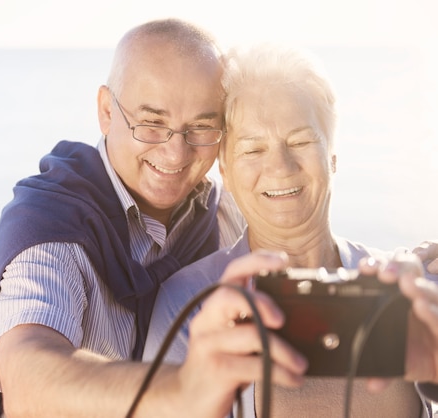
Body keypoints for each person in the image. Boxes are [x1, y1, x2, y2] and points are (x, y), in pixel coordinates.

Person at [0, 18, 247, 418]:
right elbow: (29, 383)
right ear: (106, 112)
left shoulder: (221, 212)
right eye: (152, 123)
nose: (176, 154)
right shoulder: (52, 228)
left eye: (201, 127)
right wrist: (182, 390)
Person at [143, 43, 438, 417]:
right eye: (253, 150)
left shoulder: (408, 293)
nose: (280, 166)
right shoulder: (191, 307)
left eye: (300, 141)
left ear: (332, 156)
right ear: (226, 173)